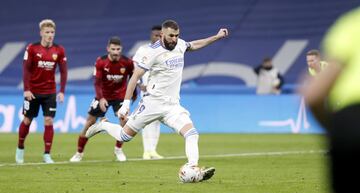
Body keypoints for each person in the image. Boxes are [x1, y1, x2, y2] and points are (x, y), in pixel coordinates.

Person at [85, 19, 228, 182]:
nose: (174, 39)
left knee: (192, 134)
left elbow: (194, 45)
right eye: (171, 36)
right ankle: (103, 125)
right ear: (162, 35)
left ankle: (193, 168)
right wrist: (125, 104)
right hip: (151, 104)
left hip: (172, 106)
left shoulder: (180, 44)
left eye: (177, 35)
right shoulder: (152, 52)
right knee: (124, 137)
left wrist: (216, 37)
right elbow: (134, 78)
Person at [301, 7, 360, 193]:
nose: (310, 64)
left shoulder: (351, 24)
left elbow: (313, 95)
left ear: (318, 60)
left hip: (350, 116)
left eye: (312, 61)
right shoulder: (314, 69)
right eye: (308, 61)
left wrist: (335, 130)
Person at [69, 36, 136, 162]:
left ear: (121, 49)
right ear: (108, 49)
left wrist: (134, 93)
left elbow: (133, 79)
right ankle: (79, 153)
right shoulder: (101, 62)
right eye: (113, 49)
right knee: (89, 123)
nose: (116, 52)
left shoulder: (127, 62)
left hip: (119, 96)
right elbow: (97, 82)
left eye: (118, 49)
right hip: (103, 96)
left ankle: (118, 149)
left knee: (124, 122)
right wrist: (101, 98)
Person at [15, 19, 68, 164]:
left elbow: (64, 72)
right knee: (27, 120)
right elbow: (26, 69)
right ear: (41, 33)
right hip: (32, 92)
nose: (50, 35)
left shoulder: (59, 50)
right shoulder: (32, 48)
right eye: (47, 32)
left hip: (50, 92)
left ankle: (46, 154)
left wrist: (62, 91)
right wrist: (26, 89)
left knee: (49, 120)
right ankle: (20, 148)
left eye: (52, 32)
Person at [137, 25, 164, 160]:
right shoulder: (143, 50)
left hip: (161, 91)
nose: (158, 38)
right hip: (147, 91)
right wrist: (138, 84)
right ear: (151, 36)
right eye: (156, 35)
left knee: (157, 121)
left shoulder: (166, 51)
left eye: (160, 35)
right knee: (146, 120)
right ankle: (146, 151)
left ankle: (153, 150)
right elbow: (133, 70)